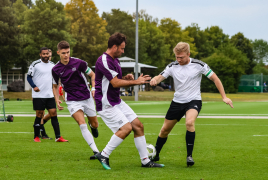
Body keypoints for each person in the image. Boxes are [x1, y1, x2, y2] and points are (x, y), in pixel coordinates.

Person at [150, 42, 234, 166]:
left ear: (188, 54)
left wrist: (224, 97)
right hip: (177, 102)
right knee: (164, 130)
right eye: (177, 57)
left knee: (189, 123)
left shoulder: (199, 65)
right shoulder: (172, 66)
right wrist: (154, 80)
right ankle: (156, 155)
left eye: (181, 57)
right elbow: (160, 77)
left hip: (193, 101)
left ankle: (189, 156)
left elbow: (215, 78)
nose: (178, 60)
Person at [94, 32, 164, 170]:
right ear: (114, 47)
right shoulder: (103, 60)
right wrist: (136, 82)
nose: (123, 51)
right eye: (122, 48)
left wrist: (127, 78)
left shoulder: (115, 60)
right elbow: (114, 83)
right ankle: (104, 154)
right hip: (106, 103)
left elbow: (115, 81)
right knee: (126, 128)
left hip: (116, 101)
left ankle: (145, 161)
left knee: (138, 126)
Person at [52, 41, 99, 158]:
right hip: (72, 100)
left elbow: (93, 75)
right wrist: (57, 99)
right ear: (58, 53)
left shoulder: (79, 63)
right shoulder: (55, 69)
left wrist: (93, 88)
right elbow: (54, 85)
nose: (66, 55)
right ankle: (96, 151)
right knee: (82, 124)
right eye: (63, 53)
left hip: (86, 97)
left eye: (68, 52)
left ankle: (93, 126)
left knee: (95, 124)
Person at [27, 47, 68, 142]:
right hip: (39, 95)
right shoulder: (35, 64)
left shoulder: (53, 65)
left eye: (47, 54)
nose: (46, 55)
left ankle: (58, 137)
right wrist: (34, 86)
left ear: (49, 54)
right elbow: (28, 77)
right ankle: (36, 137)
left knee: (53, 113)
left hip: (50, 95)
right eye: (44, 54)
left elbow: (56, 79)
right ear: (40, 54)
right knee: (39, 114)